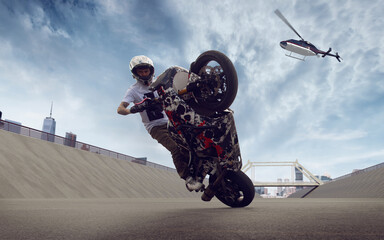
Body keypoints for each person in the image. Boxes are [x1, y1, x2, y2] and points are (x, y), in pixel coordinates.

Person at [117, 55, 202, 191]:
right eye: (141, 72)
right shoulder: (133, 90)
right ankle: (188, 178)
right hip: (156, 127)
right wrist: (132, 109)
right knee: (175, 148)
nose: (144, 74)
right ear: (135, 74)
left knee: (193, 142)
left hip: (172, 120)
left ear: (151, 71)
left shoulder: (159, 83)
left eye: (146, 71)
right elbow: (120, 109)